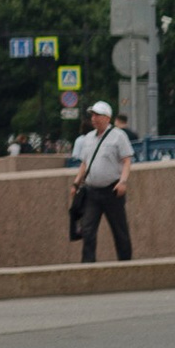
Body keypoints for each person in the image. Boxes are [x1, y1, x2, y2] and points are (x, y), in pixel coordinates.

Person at [70, 100, 135, 261]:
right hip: (92, 191)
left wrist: (123, 181)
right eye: (92, 115)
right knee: (87, 229)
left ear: (107, 117)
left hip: (112, 191)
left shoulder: (118, 136)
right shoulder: (88, 138)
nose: (93, 118)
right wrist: (76, 183)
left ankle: (126, 262)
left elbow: (127, 160)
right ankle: (88, 265)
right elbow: (85, 163)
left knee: (119, 230)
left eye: (97, 115)